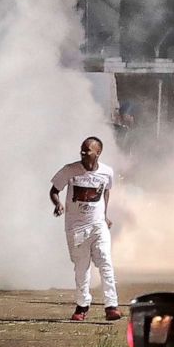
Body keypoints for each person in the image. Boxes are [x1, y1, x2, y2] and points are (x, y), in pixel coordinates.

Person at [49, 137, 122, 321]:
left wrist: (104, 215)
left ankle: (111, 305)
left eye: (87, 150)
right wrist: (58, 204)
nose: (83, 152)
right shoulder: (70, 170)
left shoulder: (107, 172)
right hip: (76, 228)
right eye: (82, 149)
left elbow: (106, 191)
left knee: (105, 261)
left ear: (98, 153)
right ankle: (82, 306)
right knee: (81, 268)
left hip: (98, 225)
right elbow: (54, 190)